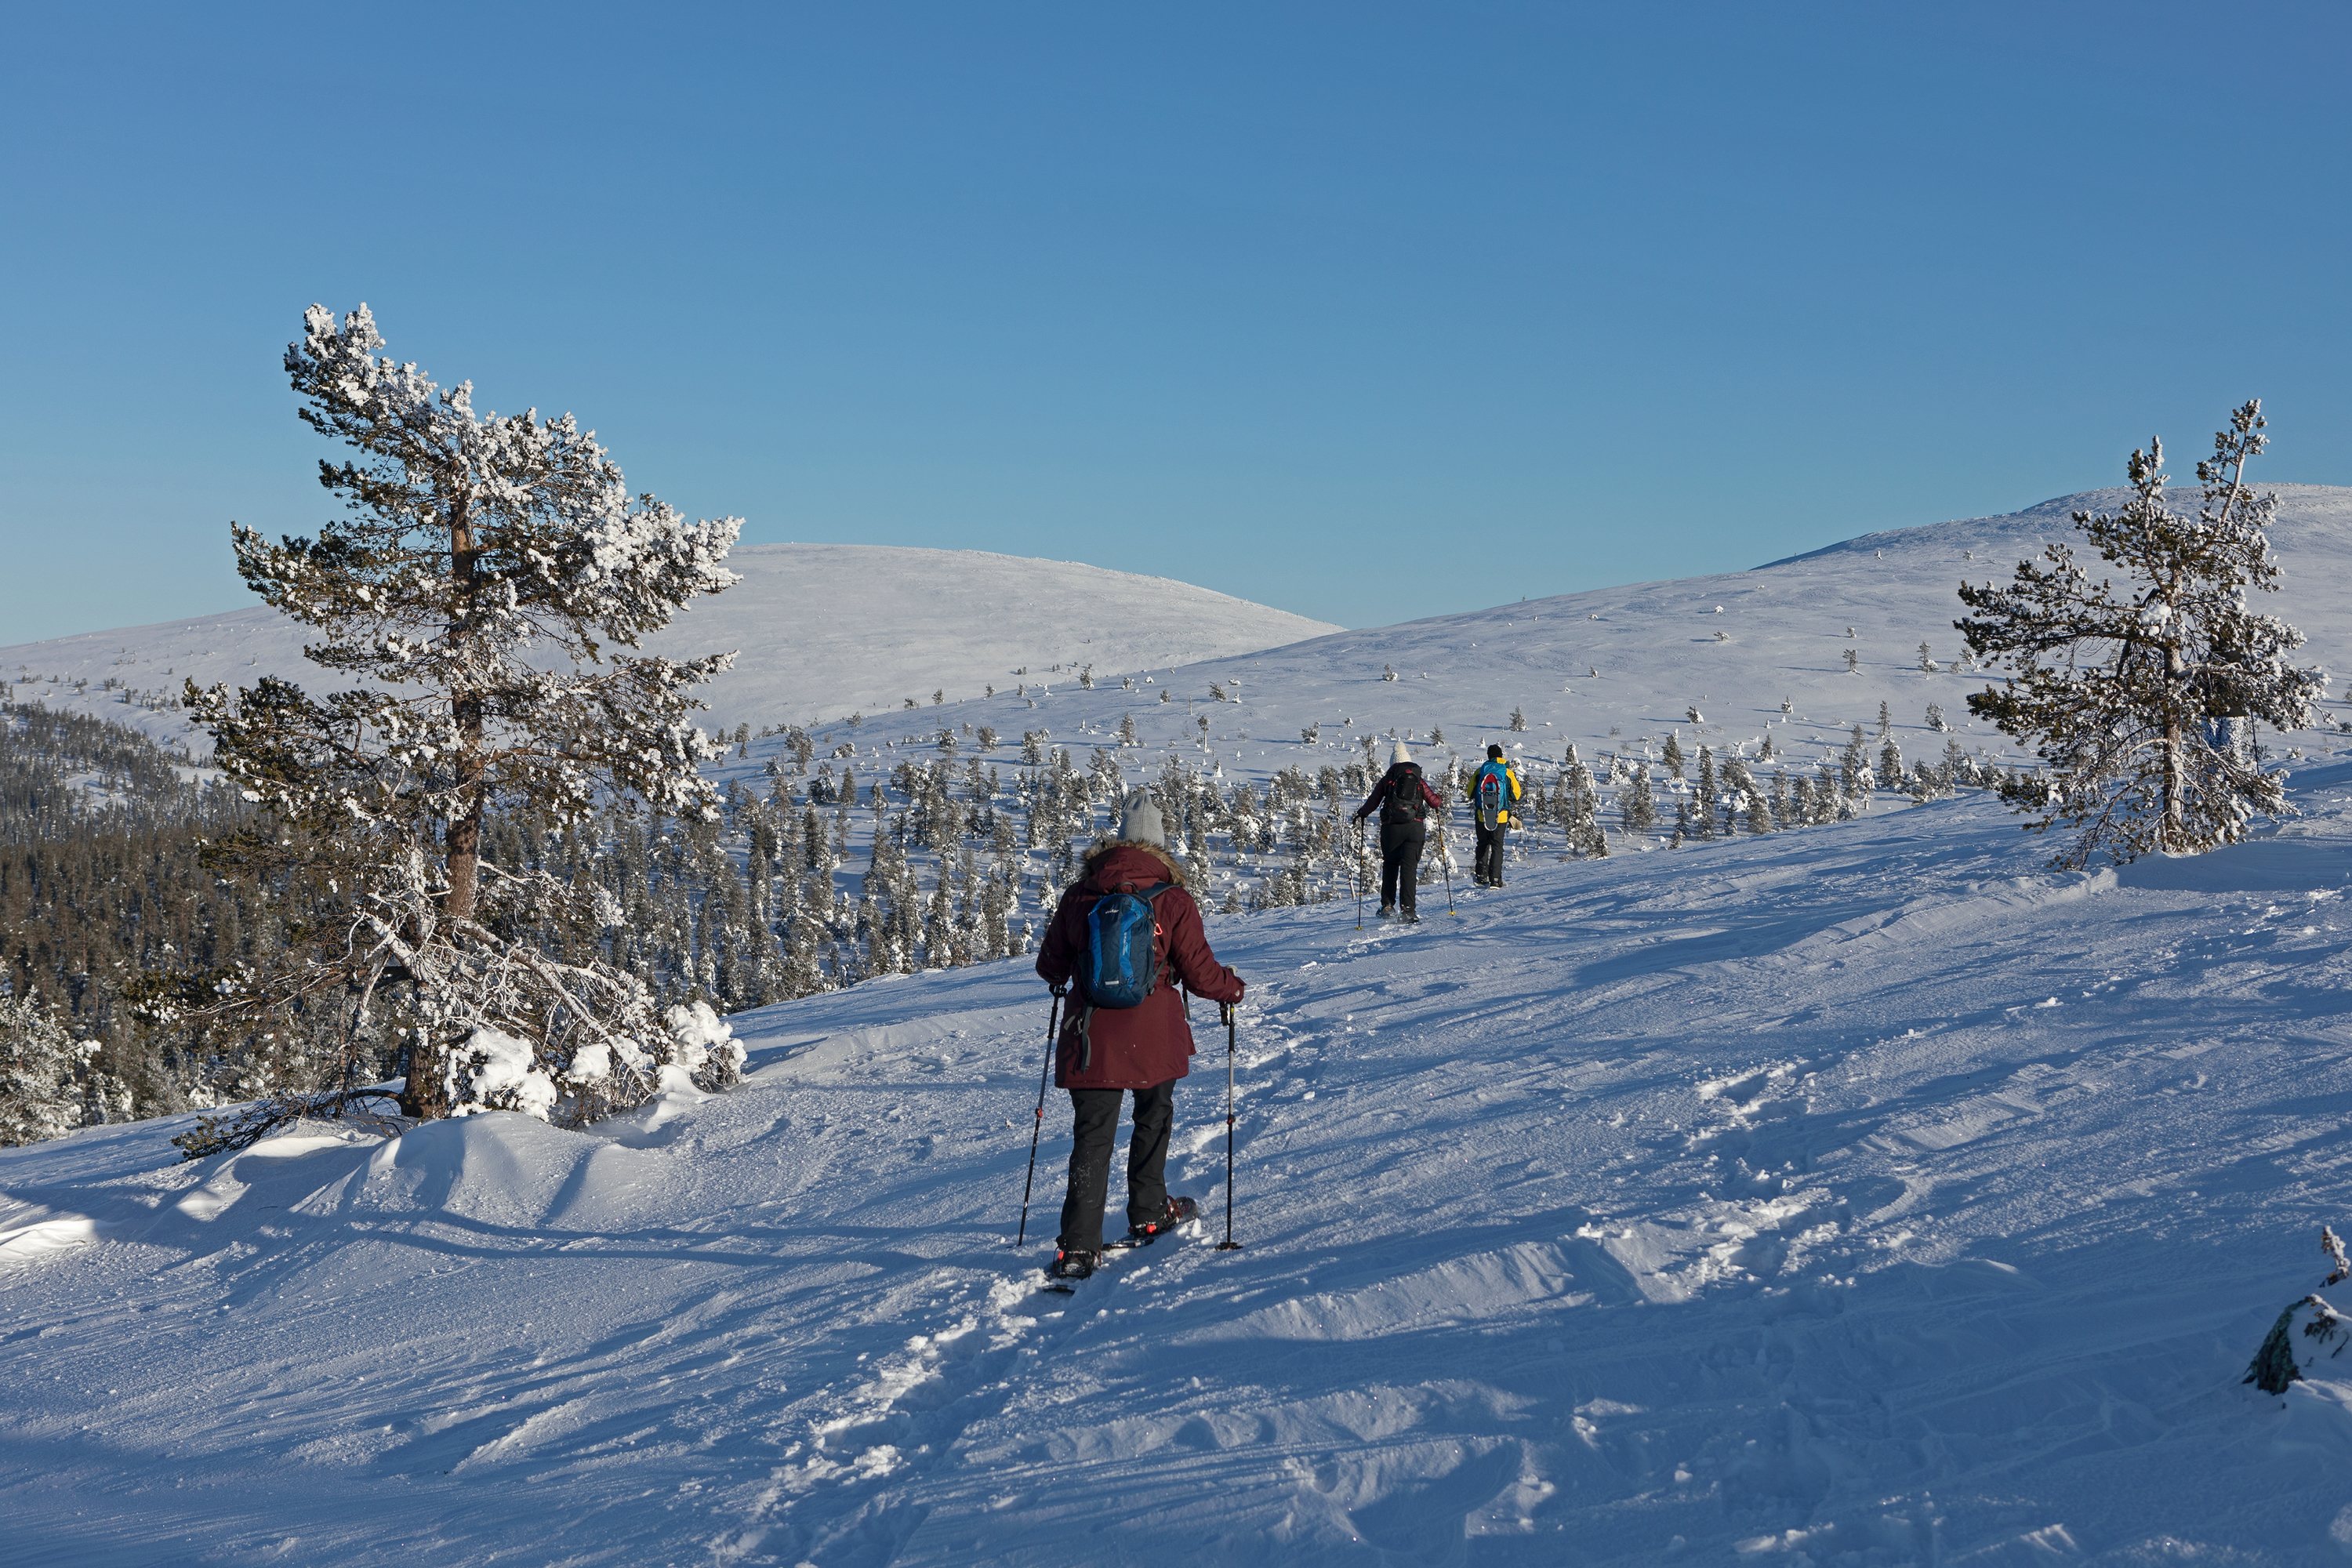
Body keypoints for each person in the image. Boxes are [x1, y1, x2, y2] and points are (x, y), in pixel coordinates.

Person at [1035, 789, 1245, 1282]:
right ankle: (1150, 1211)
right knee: (1154, 1119)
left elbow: (1050, 967)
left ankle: (1077, 1248)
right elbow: (1200, 973)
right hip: (1155, 1036)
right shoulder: (1173, 899)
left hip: (1091, 1040)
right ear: (1160, 846)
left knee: (1092, 1140)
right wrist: (1232, 989)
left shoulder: (1081, 894)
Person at [1352, 742, 1445, 922]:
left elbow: (1372, 801)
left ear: (1393, 763)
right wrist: (1439, 799)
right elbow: (1435, 802)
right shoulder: (1417, 779)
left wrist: (1362, 814)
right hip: (1415, 828)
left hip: (1391, 829)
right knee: (1409, 869)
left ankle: (1387, 906)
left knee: (1391, 865)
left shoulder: (1388, 778)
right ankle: (1408, 910)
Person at [1466, 743, 1523, 887]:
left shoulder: (1481, 771)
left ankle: (1480, 876)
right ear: (1501, 756)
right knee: (1497, 846)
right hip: (1501, 815)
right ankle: (1496, 880)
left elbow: (1469, 792)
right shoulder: (1507, 772)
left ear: (1488, 756)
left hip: (1482, 814)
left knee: (1483, 844)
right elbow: (1516, 794)